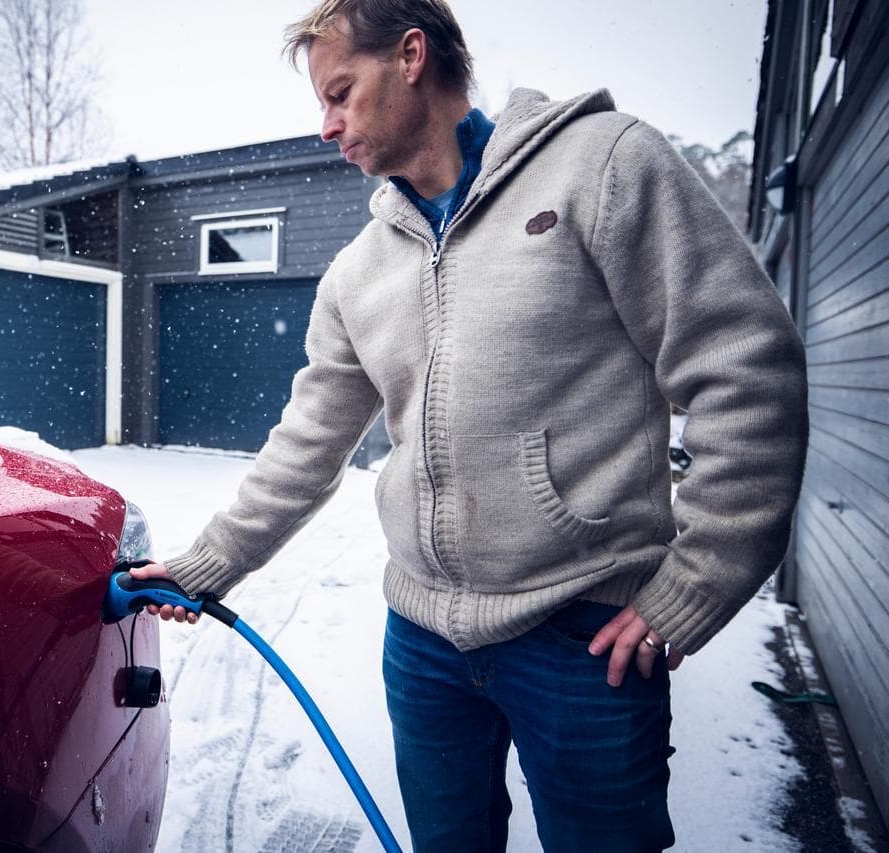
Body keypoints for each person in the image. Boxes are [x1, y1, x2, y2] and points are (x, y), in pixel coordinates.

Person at [130, 1, 809, 850]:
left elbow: (745, 368)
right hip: (423, 645)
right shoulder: (358, 271)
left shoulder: (600, 167)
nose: (326, 126)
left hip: (583, 636)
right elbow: (306, 442)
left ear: (411, 56)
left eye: (340, 93)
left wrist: (701, 579)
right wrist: (208, 564)